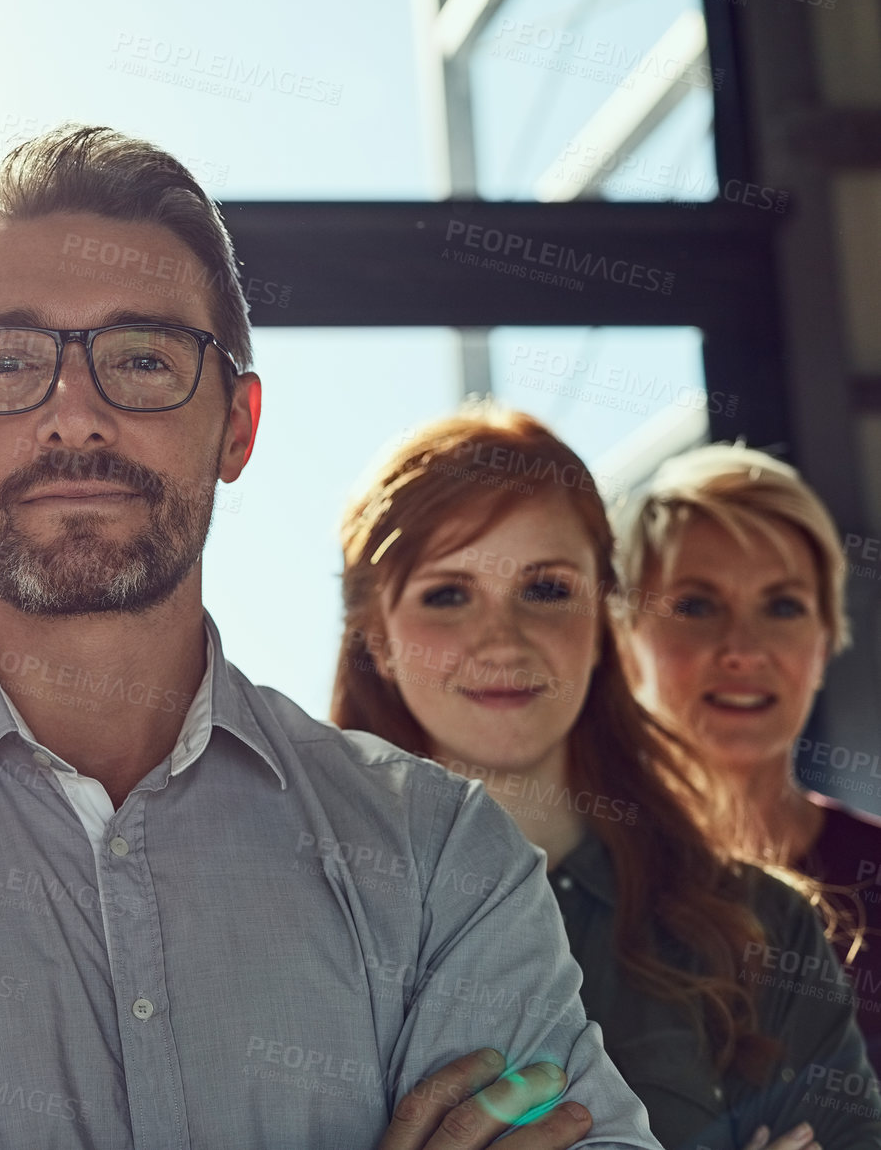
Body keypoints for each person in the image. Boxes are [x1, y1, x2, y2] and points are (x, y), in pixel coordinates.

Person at [0, 124, 659, 1149]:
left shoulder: (444, 859)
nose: (75, 414)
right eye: (10, 360)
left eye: (144, 358)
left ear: (238, 425)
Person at [331, 406, 881, 1150]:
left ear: (604, 617)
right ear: (377, 637)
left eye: (547, 588)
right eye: (447, 594)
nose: (502, 636)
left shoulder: (762, 925)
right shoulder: (297, 920)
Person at [614, 443, 881, 1061]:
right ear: (627, 640)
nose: (742, 648)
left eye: (783, 606)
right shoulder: (574, 885)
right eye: (696, 605)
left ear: (823, 643)